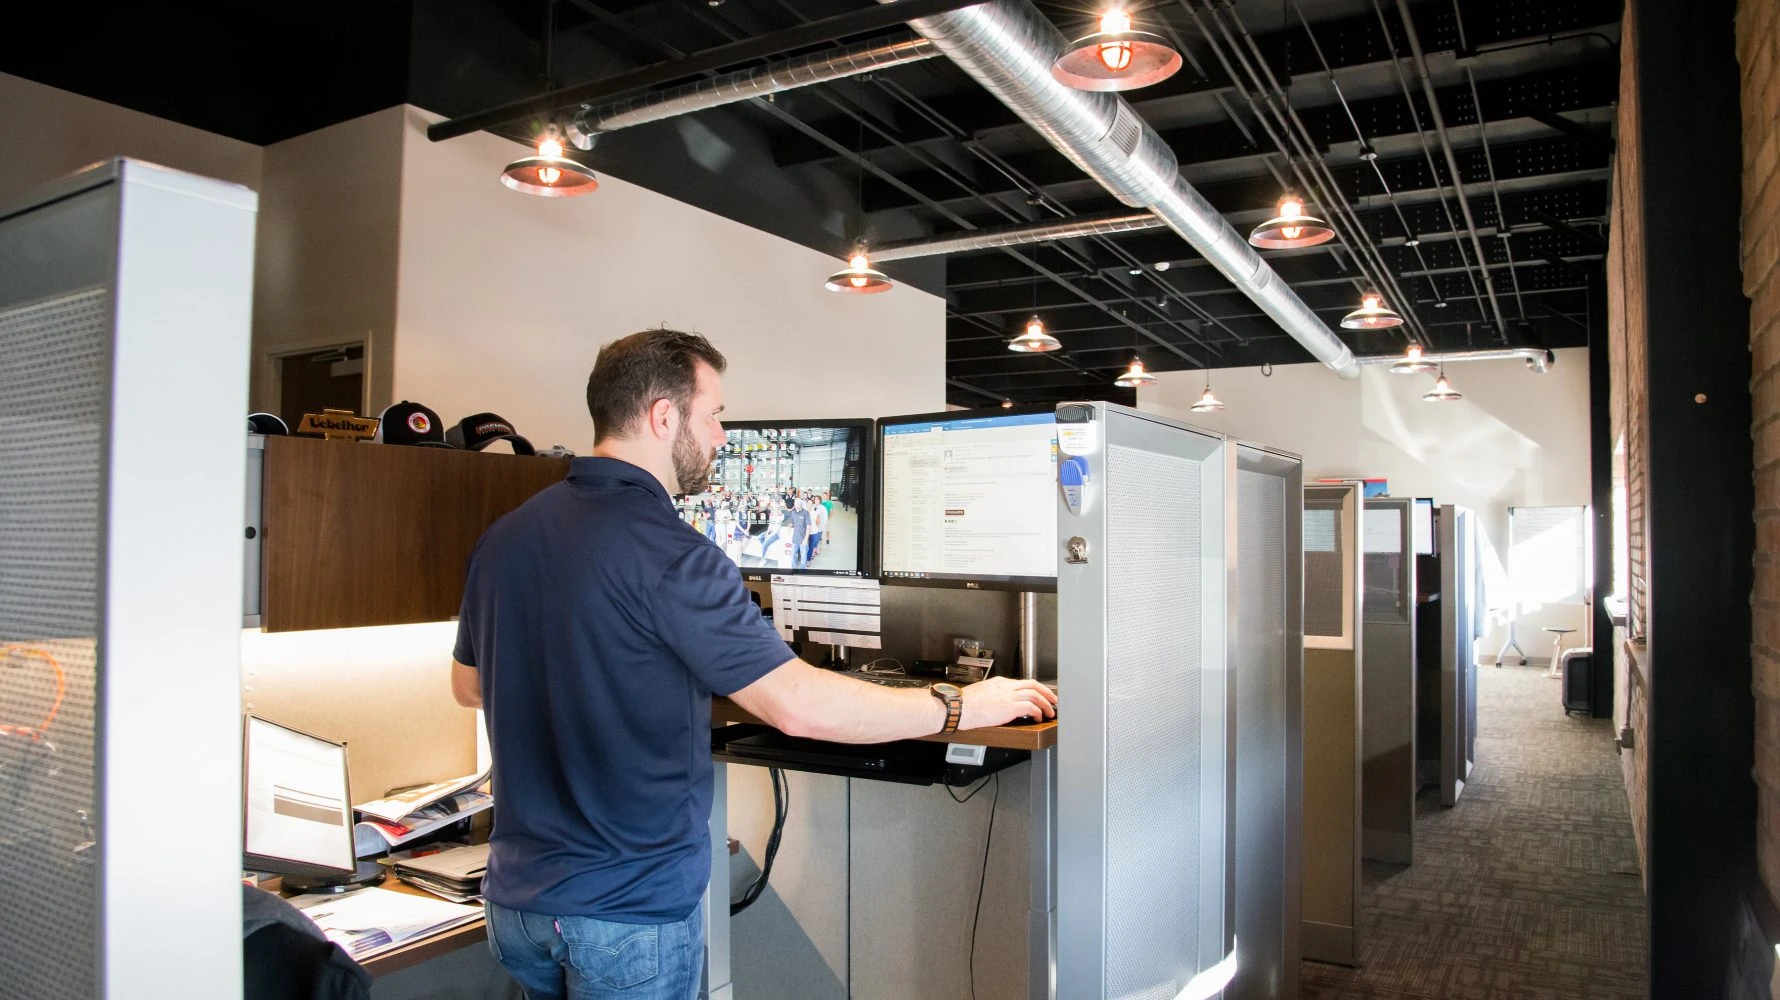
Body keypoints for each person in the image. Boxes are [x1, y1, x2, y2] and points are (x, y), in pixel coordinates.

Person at [450, 328, 1054, 1000]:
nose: (719, 438)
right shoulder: (674, 555)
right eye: (713, 415)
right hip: (624, 912)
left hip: (516, 908)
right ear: (662, 416)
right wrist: (963, 704)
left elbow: (469, 685)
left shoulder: (503, 538)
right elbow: (797, 704)